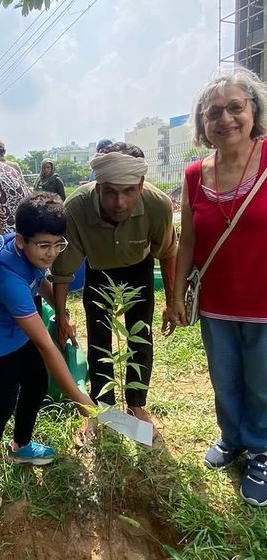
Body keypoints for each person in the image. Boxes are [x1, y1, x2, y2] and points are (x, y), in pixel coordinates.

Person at [172, 67, 267, 507]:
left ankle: (261, 451)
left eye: (235, 107)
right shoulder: (194, 175)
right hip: (216, 304)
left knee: (261, 383)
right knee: (224, 379)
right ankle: (232, 439)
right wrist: (174, 295)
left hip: (263, 301)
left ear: (254, 111)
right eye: (214, 113)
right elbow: (187, 239)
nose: (225, 119)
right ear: (203, 124)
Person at [0, 192, 94, 518]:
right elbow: (46, 346)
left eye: (58, 244)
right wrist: (79, 397)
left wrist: (62, 315)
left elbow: (40, 284)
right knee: (0, 405)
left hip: (17, 328)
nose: (52, 254)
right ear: (21, 241)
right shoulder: (7, 275)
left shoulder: (30, 253)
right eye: (44, 246)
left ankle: (21, 446)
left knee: (36, 383)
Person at [51, 149, 177, 423]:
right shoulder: (75, 209)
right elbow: (62, 272)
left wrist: (171, 301)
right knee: (99, 338)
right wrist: (62, 316)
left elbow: (167, 252)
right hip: (98, 271)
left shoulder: (158, 205)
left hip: (139, 268)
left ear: (141, 186)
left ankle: (136, 405)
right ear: (97, 187)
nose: (119, 202)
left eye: (129, 191)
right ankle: (104, 408)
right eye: (109, 192)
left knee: (139, 334)